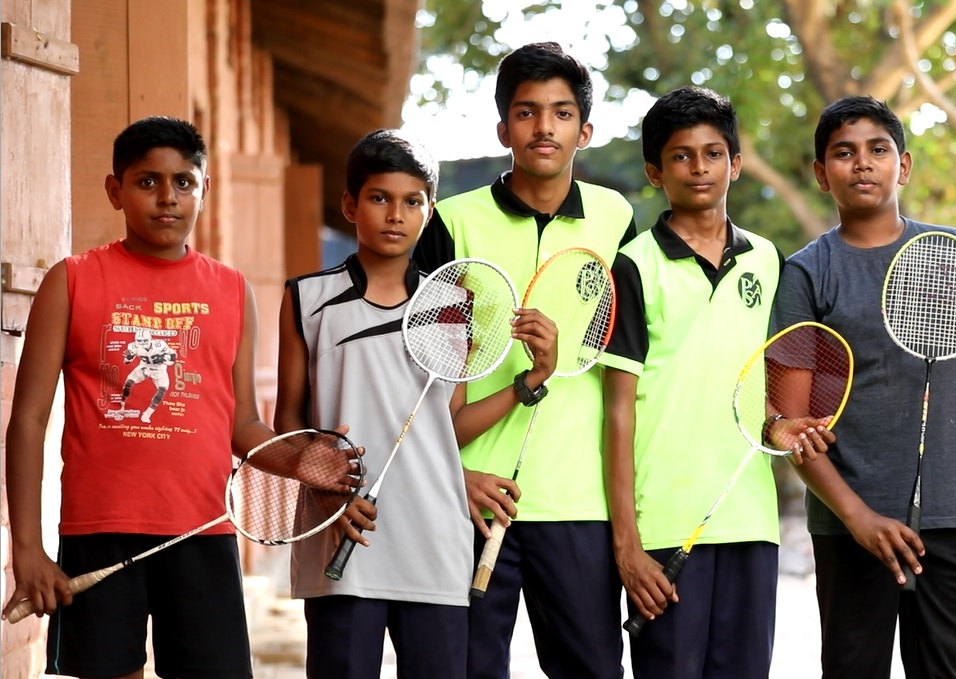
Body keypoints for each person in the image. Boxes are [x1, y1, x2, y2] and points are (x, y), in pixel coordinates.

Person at [1, 116, 359, 678]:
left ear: (204, 189)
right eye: (147, 182)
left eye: (184, 182)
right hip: (98, 530)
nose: (167, 198)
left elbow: (242, 424)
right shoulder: (71, 281)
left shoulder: (233, 291)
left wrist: (304, 459)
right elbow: (27, 420)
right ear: (115, 190)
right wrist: (27, 549)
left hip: (203, 530)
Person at [275, 129, 558, 677]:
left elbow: (447, 426)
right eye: (379, 198)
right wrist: (325, 483)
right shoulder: (307, 299)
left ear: (429, 212)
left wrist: (531, 381)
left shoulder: (452, 307)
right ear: (350, 204)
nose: (395, 215)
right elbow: (290, 422)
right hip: (344, 534)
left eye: (412, 202)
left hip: (435, 537)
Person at [770, 95, 956, 678]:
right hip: (852, 523)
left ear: (903, 166)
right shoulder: (807, 273)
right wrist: (858, 516)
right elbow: (793, 426)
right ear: (821, 175)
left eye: (877, 150)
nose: (862, 163)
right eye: (844, 153)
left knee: (943, 668)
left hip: (954, 513)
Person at [411, 42, 635, 679]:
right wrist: (452, 474)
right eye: (528, 111)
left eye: (562, 113)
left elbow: (626, 364)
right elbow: (422, 370)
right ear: (502, 126)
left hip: (578, 504)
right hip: (473, 499)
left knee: (591, 668)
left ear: (584, 130)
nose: (544, 127)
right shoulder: (451, 222)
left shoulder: (617, 219)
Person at [600, 86, 827, 678]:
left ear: (736, 162)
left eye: (712, 153)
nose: (698, 167)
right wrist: (627, 544)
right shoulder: (633, 265)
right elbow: (617, 410)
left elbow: (766, 387)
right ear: (655, 171)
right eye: (680, 156)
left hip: (751, 519)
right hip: (663, 525)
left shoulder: (769, 260)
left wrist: (780, 426)